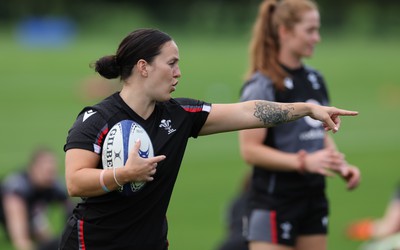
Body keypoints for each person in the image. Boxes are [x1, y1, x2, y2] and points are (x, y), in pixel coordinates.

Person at [59, 28, 358, 250]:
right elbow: (75, 181)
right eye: (171, 63)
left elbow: (250, 111)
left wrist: (307, 109)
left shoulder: (180, 114)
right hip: (94, 243)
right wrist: (123, 174)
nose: (179, 73)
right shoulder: (97, 120)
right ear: (143, 67)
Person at [238, 1, 361, 250]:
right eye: (310, 30)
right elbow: (250, 151)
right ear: (285, 31)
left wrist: (340, 164)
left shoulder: (315, 79)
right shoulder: (263, 85)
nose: (317, 38)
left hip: (314, 196)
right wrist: (302, 162)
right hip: (274, 200)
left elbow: (317, 133)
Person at [0, 147, 73, 250]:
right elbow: (20, 241)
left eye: (52, 172)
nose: (50, 176)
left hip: (32, 214)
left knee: (49, 241)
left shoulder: (53, 185)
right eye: (46, 171)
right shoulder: (17, 188)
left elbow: (72, 209)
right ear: (33, 168)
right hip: (12, 215)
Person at [216, 173, 251, 250]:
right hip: (252, 243)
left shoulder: (235, 202)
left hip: (231, 244)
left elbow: (229, 226)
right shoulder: (265, 204)